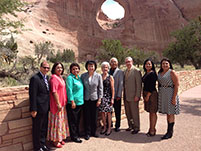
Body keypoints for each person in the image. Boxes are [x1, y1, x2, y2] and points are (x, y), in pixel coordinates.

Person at [47, 62, 69, 148]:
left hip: (62, 104)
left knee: (61, 122)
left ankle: (60, 138)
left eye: (61, 68)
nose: (60, 69)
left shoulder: (60, 77)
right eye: (58, 68)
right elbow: (54, 91)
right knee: (56, 123)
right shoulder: (54, 78)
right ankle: (55, 141)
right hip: (57, 105)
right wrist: (58, 103)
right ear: (54, 69)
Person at [29, 61, 50, 151]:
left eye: (48, 68)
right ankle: (37, 147)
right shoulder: (35, 78)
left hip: (45, 107)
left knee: (44, 128)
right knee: (37, 129)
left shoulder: (47, 78)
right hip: (38, 108)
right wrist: (33, 109)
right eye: (44, 67)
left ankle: (43, 144)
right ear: (40, 67)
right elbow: (33, 94)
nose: (46, 69)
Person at [158, 58, 180, 139]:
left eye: (166, 63)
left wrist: (174, 97)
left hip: (171, 93)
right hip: (163, 94)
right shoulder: (160, 73)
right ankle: (168, 131)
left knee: (171, 113)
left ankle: (170, 132)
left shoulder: (172, 72)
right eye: (163, 63)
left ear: (169, 64)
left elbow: (177, 85)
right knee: (167, 113)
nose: (165, 65)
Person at [81, 60, 103, 140]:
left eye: (92, 66)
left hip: (95, 99)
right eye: (89, 66)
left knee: (94, 117)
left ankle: (94, 132)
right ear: (87, 67)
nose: (91, 67)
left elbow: (100, 88)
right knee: (86, 116)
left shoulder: (98, 76)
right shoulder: (83, 76)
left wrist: (99, 99)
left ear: (95, 67)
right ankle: (87, 133)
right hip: (86, 99)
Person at [123, 57, 142, 134]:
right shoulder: (125, 71)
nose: (128, 63)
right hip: (126, 95)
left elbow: (139, 84)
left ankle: (136, 127)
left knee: (134, 112)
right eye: (126, 62)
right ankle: (130, 125)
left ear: (132, 62)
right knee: (128, 112)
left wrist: (137, 95)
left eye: (129, 61)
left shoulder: (136, 71)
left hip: (134, 95)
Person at [66, 63, 84, 143]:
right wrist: (72, 101)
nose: (75, 70)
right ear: (70, 70)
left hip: (80, 103)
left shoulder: (78, 78)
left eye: (77, 68)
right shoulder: (70, 78)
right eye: (73, 69)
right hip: (73, 103)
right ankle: (74, 136)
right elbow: (69, 90)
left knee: (77, 120)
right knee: (73, 121)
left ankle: (77, 133)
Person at [142, 59, 158, 137]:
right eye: (146, 64)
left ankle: (152, 130)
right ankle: (151, 128)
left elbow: (152, 86)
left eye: (149, 64)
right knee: (150, 112)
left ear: (152, 65)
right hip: (146, 93)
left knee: (153, 112)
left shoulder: (153, 74)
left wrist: (148, 95)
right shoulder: (146, 73)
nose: (148, 65)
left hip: (152, 94)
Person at [99, 62, 115, 136]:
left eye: (106, 67)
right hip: (101, 97)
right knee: (102, 113)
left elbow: (113, 89)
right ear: (101, 68)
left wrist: (112, 98)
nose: (105, 69)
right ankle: (104, 127)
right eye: (103, 67)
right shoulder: (100, 76)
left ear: (108, 68)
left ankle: (109, 128)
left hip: (108, 97)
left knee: (108, 113)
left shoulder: (110, 77)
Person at [109, 57, 124, 132]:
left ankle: (117, 125)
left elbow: (121, 84)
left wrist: (119, 95)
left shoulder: (120, 72)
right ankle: (110, 123)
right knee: (109, 111)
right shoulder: (108, 71)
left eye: (114, 62)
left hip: (117, 95)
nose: (113, 63)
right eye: (112, 62)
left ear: (117, 63)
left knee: (117, 111)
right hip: (109, 95)